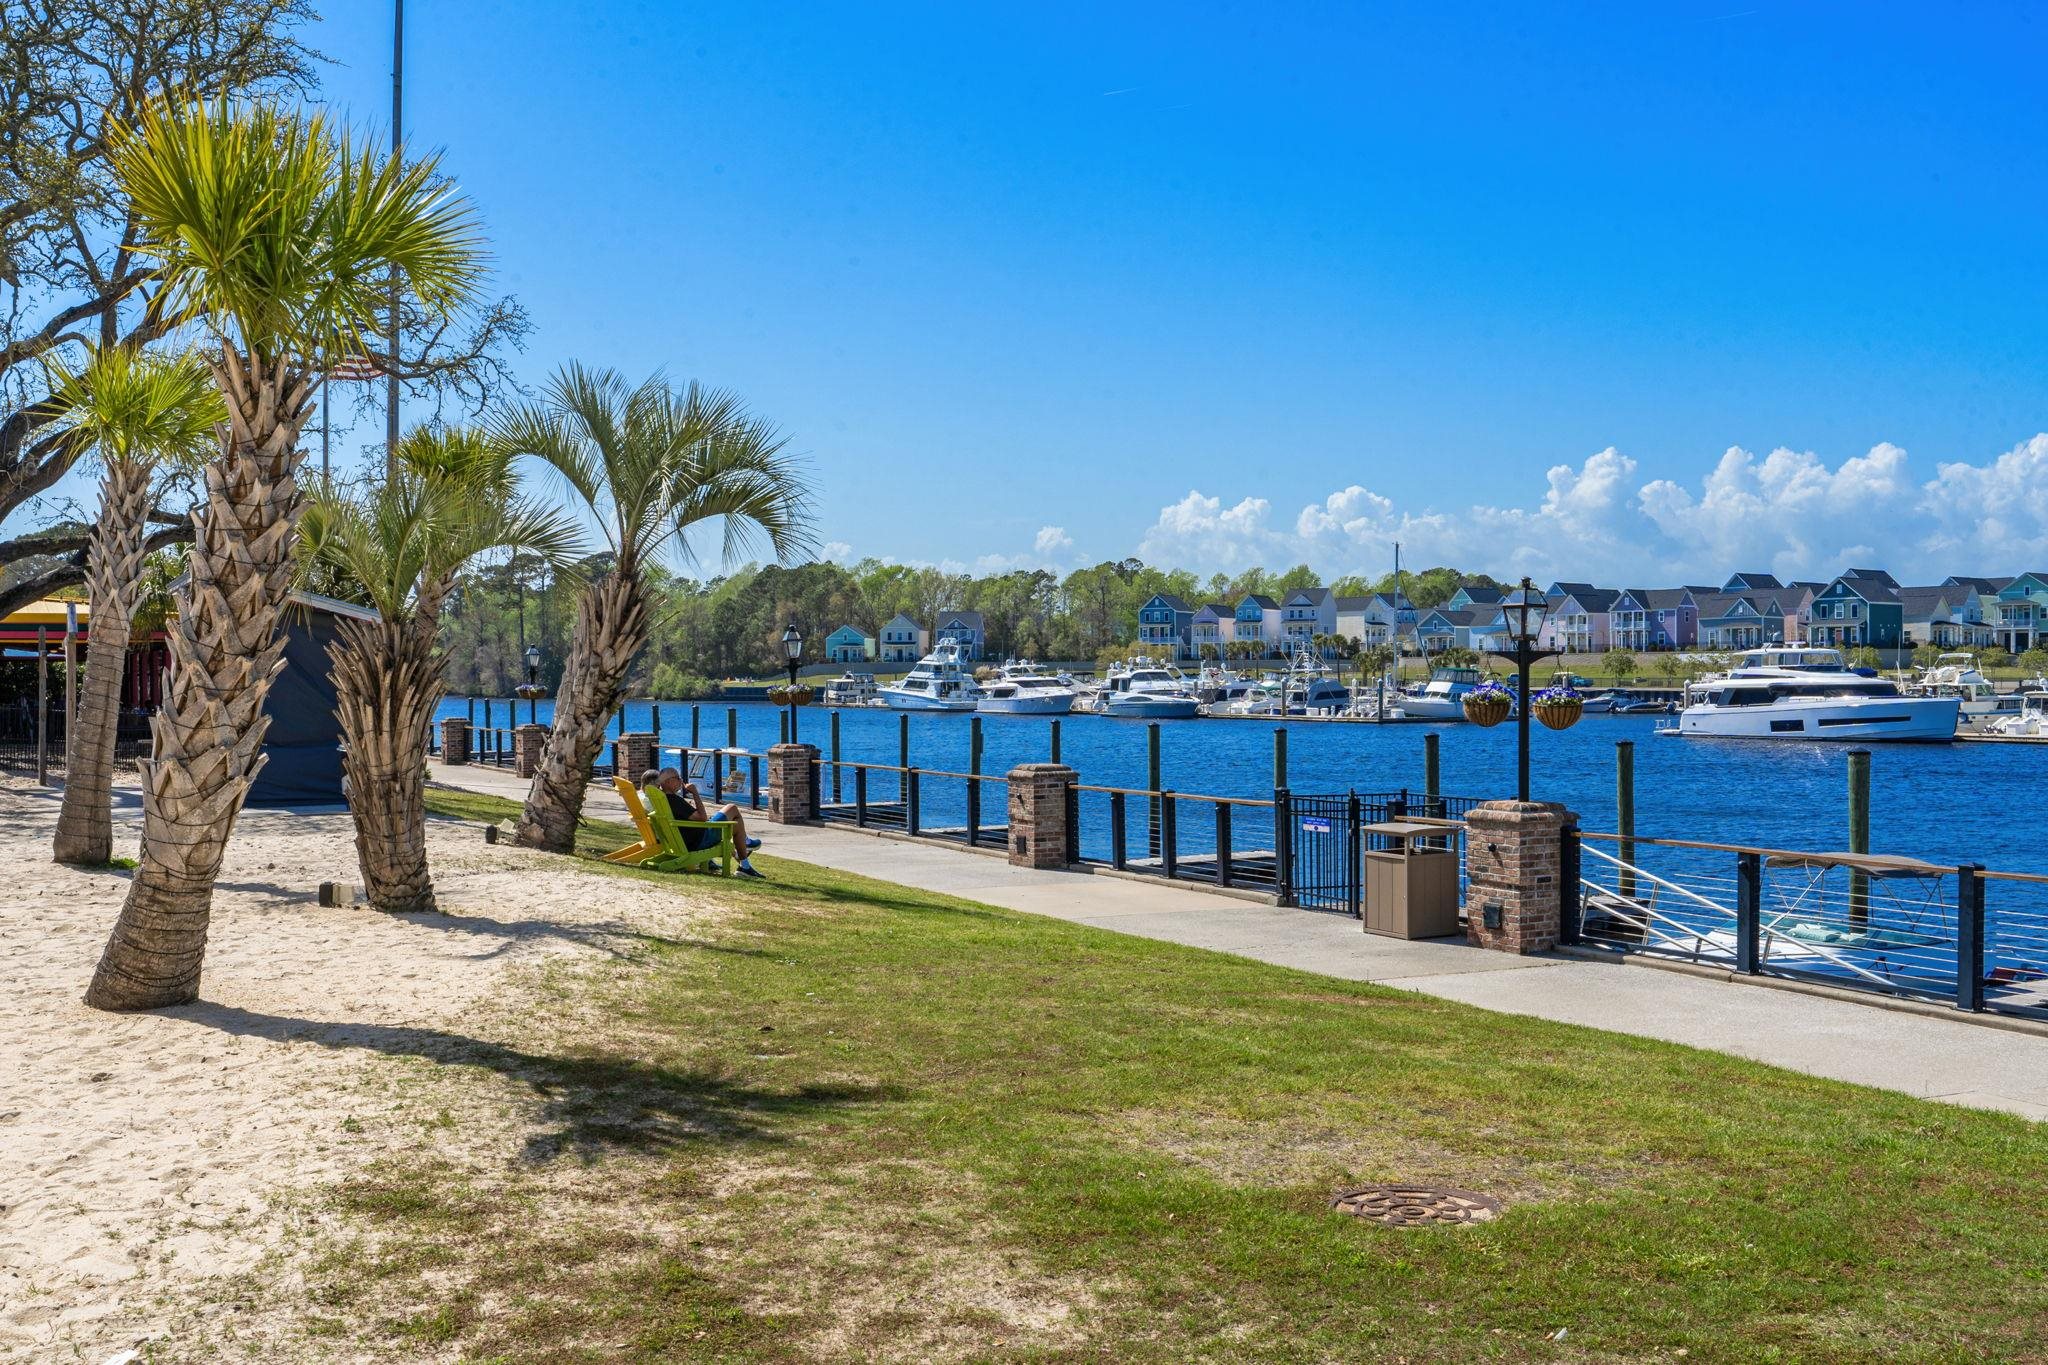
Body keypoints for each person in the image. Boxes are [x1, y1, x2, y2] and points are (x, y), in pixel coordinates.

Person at [657, 765, 764, 878]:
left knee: (736, 825)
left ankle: (745, 867)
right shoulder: (674, 800)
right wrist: (695, 793)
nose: (681, 780)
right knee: (732, 808)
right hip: (700, 840)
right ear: (668, 782)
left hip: (687, 841)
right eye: (678, 778)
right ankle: (746, 843)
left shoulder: (664, 800)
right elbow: (702, 817)